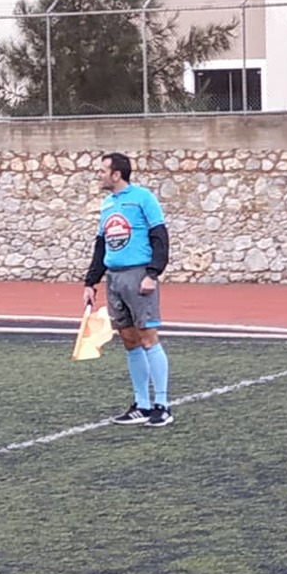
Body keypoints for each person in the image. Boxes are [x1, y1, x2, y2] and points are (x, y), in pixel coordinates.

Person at [82, 152, 172, 426]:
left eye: (103, 170)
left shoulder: (143, 198)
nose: (99, 175)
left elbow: (160, 236)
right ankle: (141, 404)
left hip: (138, 275)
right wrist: (91, 282)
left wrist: (152, 273)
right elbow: (101, 245)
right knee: (129, 340)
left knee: (148, 337)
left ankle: (162, 405)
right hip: (115, 278)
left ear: (116, 174)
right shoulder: (108, 204)